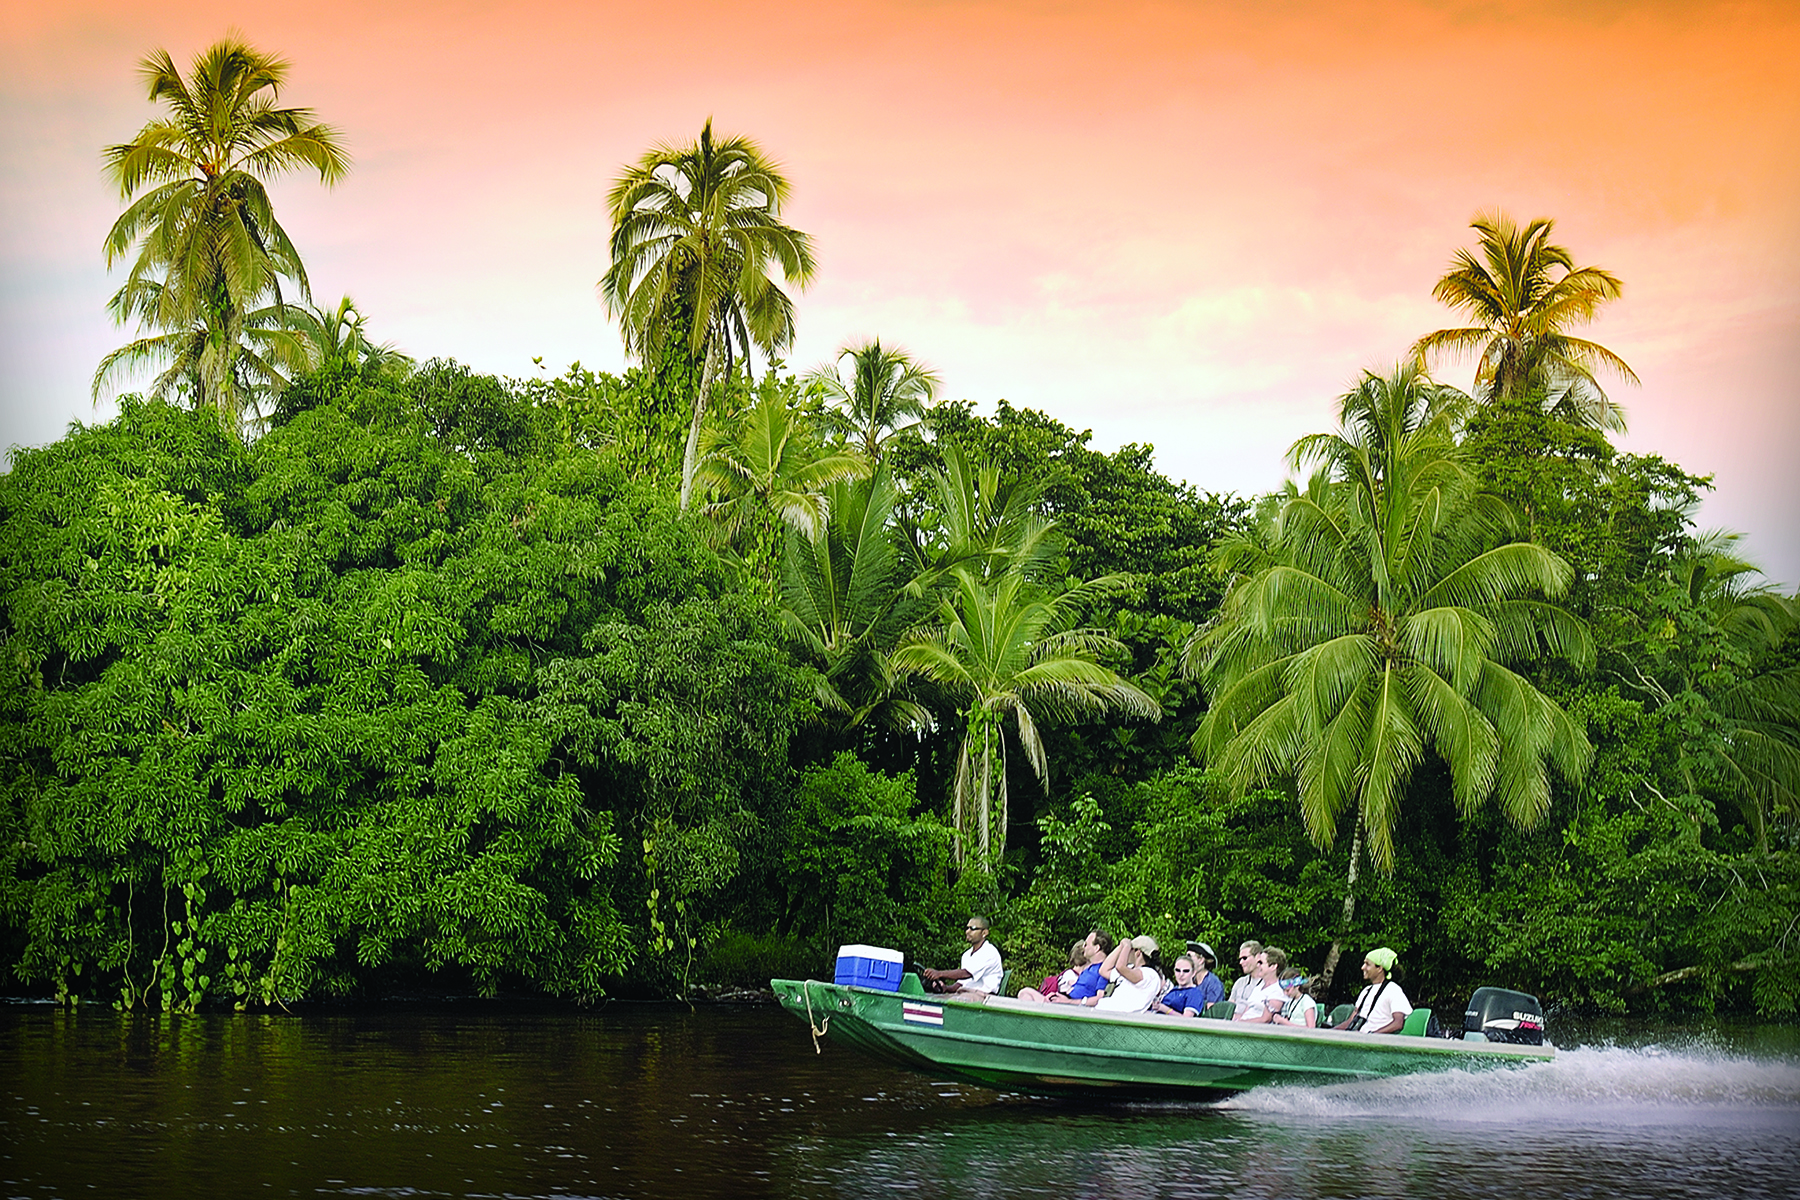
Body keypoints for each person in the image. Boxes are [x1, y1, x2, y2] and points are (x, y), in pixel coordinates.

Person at [1020, 929, 1113, 1003]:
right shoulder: (1089, 969)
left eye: (1086, 944)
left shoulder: (1102, 970)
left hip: (1071, 1008)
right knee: (1025, 993)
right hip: (1065, 1001)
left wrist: (1068, 1001)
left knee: (1025, 994)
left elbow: (1099, 999)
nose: (1083, 947)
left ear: (1096, 948)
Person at [1335, 947, 1412, 1034]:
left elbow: (1398, 1023)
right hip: (1358, 1037)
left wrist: (1372, 1036)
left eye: (1367, 964)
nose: (1362, 967)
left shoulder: (1393, 990)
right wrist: (1328, 1032)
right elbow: (1350, 1022)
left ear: (1379, 968)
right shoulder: (1366, 991)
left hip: (1375, 1040)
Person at [922, 915, 1003, 995]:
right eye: (967, 928)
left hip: (985, 996)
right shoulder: (966, 955)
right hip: (966, 993)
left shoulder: (989, 952)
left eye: (972, 928)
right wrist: (945, 988)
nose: (967, 931)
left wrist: (939, 974)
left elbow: (966, 974)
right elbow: (961, 983)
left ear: (984, 933)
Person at [1093, 934, 1164, 1013]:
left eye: (1130, 950)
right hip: (1106, 1012)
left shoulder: (1149, 974)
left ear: (1138, 953)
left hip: (1121, 1017)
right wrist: (1121, 947)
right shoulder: (1130, 969)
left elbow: (1120, 967)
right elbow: (1103, 970)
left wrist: (1126, 946)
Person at [1233, 947, 1290, 1022]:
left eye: (1261, 963)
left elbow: (1266, 1019)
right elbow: (1246, 1011)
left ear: (1273, 966)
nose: (1257, 966)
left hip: (1256, 1028)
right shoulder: (1259, 987)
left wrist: (1241, 1023)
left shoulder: (1278, 990)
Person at [1183, 941, 1226, 1010]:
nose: (1186, 960)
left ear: (1201, 960)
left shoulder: (1213, 983)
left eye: (1189, 956)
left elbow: (1212, 1011)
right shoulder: (1189, 981)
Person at [1226, 940, 1265, 1010]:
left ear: (1258, 957)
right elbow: (1229, 1007)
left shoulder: (1267, 983)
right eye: (1240, 959)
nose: (1241, 962)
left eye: (1245, 958)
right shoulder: (1240, 982)